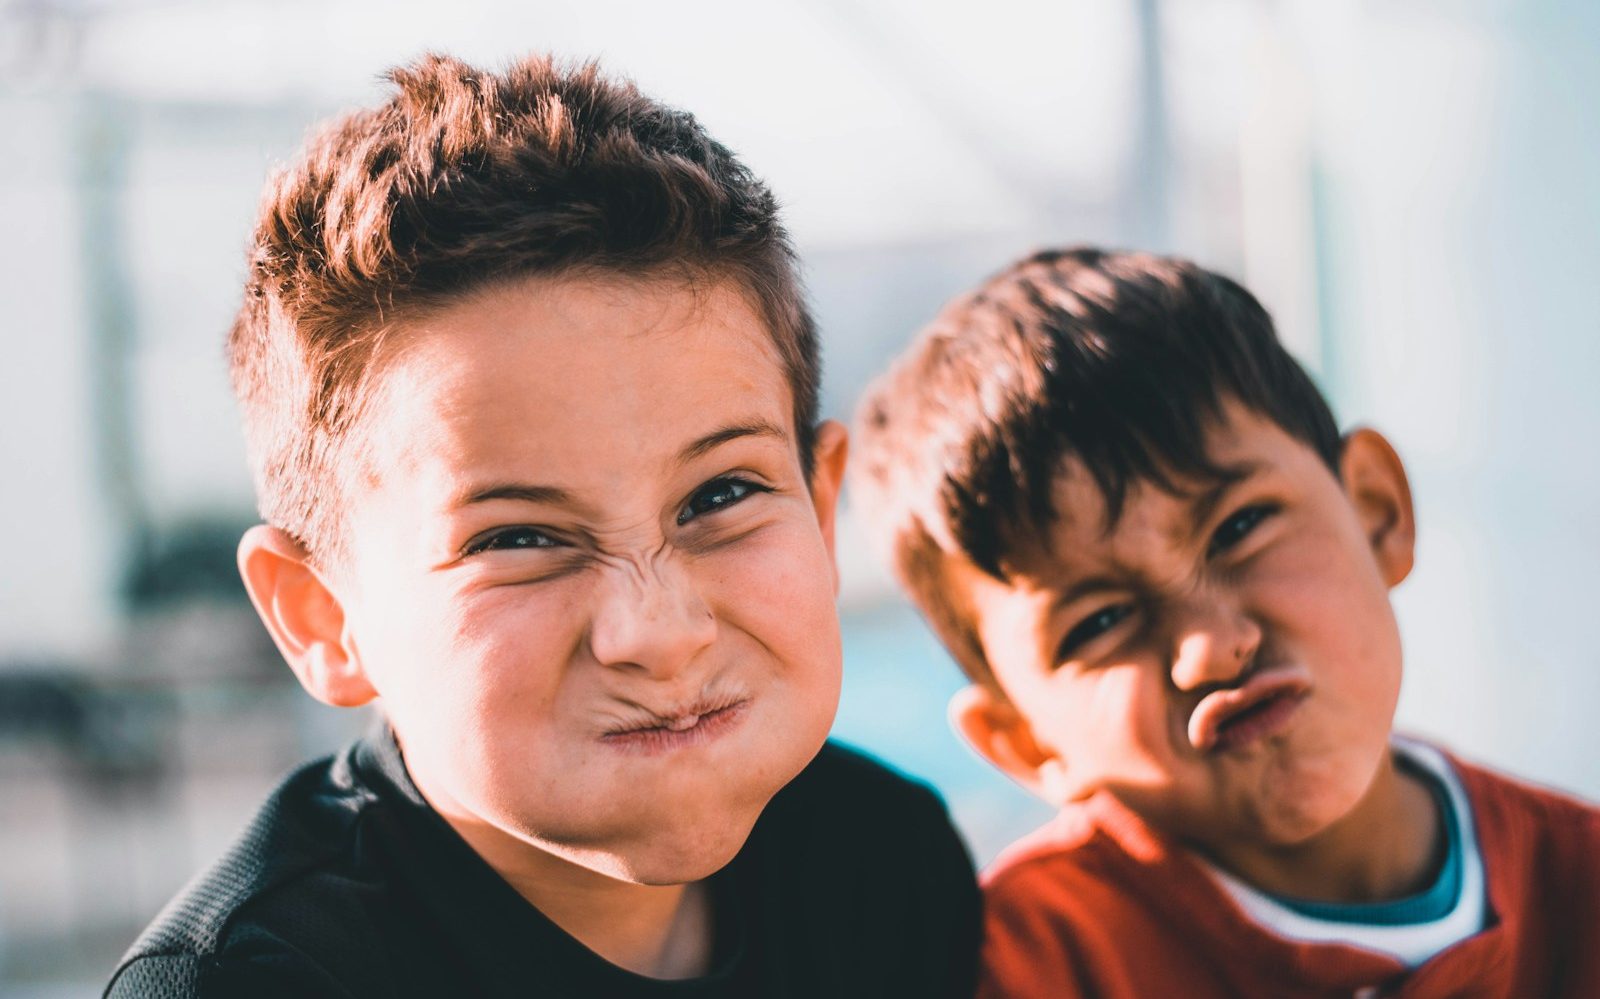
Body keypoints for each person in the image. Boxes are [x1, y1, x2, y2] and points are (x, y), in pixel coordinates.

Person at [104, 53, 979, 999]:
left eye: (719, 496)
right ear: (322, 617)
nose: (659, 632)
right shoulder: (252, 983)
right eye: (519, 539)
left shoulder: (887, 867)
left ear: (819, 503)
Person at [849, 246, 1600, 998]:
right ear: (1023, 741)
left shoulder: (1577, 880)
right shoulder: (1022, 969)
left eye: (1240, 528)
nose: (1208, 650)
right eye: (1101, 620)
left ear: (1377, 511)